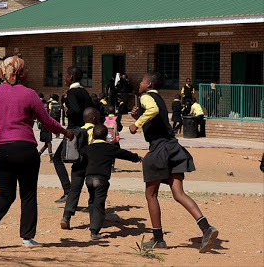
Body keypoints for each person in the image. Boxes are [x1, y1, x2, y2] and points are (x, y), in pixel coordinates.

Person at [0, 56, 74, 249]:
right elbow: (46, 121)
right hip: (24, 148)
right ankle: (27, 238)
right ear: (20, 72)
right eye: (26, 69)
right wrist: (65, 132)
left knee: (6, 193)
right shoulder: (30, 94)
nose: (29, 72)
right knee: (28, 194)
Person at [129, 71, 218, 253]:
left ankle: (158, 239)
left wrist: (135, 125)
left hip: (159, 149)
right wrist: (139, 118)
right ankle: (206, 228)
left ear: (149, 84)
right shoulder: (160, 99)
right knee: (179, 193)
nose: (140, 83)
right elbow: (155, 117)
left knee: (151, 195)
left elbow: (152, 111)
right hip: (173, 148)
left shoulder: (145, 97)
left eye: (142, 81)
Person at [82, 124, 142, 240]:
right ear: (106, 136)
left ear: (93, 136)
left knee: (92, 200)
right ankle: (94, 231)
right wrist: (137, 158)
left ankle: (92, 222)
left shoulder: (87, 148)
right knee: (99, 203)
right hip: (101, 179)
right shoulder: (110, 148)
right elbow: (125, 154)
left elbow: (79, 155)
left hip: (89, 179)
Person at [53, 66, 93, 203]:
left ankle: (68, 191)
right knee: (80, 162)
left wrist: (67, 109)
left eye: (65, 75)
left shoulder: (72, 93)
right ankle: (84, 194)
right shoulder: (85, 92)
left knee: (58, 158)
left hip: (73, 131)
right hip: (84, 130)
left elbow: (75, 110)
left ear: (71, 77)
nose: (64, 78)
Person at [60, 107, 100, 230]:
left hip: (77, 165)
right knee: (93, 193)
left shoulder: (78, 131)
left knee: (74, 190)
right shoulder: (96, 131)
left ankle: (66, 216)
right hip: (91, 166)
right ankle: (93, 221)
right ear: (94, 118)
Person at [37, 95, 53, 161]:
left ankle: (38, 154)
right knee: (49, 143)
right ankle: (51, 157)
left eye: (47, 108)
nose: (46, 109)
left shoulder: (48, 115)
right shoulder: (42, 115)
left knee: (47, 144)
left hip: (48, 130)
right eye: (45, 108)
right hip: (45, 130)